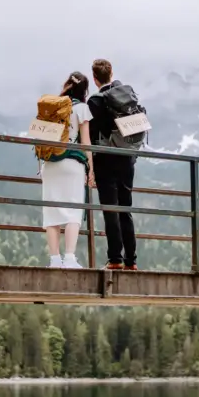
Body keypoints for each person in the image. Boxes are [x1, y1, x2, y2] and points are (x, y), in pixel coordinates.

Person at [87, 58, 139, 270]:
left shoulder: (96, 101)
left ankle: (115, 258)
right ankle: (131, 261)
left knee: (111, 209)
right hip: (128, 158)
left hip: (106, 159)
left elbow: (91, 134)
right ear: (111, 73)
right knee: (125, 208)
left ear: (94, 78)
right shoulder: (126, 93)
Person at [40, 71, 95, 269]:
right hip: (72, 164)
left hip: (50, 164)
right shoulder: (82, 108)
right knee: (73, 210)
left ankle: (54, 260)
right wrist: (91, 169)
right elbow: (86, 142)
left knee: (51, 211)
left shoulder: (53, 106)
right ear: (85, 90)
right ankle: (69, 258)